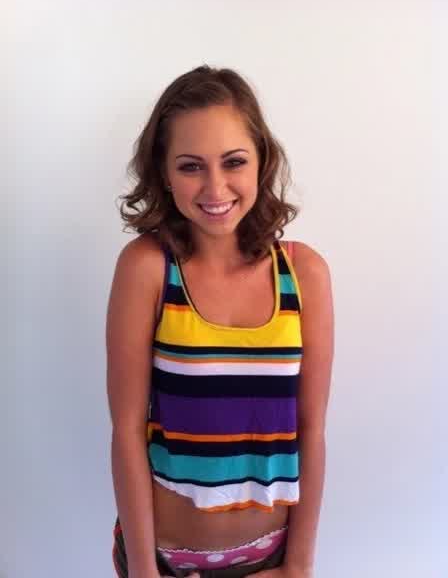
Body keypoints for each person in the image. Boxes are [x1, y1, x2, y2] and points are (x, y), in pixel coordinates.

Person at [106, 65, 334, 578]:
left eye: (234, 162)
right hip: (167, 561)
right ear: (164, 173)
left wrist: (299, 566)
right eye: (191, 166)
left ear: (261, 162)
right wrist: (143, 570)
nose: (215, 187)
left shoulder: (304, 274)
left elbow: (312, 429)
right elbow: (126, 429)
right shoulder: (147, 267)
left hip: (271, 558)